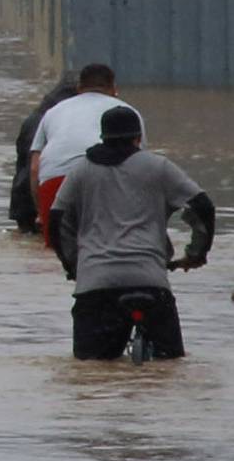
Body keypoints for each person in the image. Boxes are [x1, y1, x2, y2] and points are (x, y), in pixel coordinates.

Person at [50, 105, 214, 360]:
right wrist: (195, 253)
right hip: (150, 282)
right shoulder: (158, 166)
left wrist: (73, 265)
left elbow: (57, 220)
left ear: (102, 137)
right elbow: (202, 206)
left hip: (96, 285)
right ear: (138, 138)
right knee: (168, 367)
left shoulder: (81, 171)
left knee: (91, 372)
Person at [28, 62, 138, 244]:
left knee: (57, 251)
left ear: (79, 88)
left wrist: (41, 213)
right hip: (104, 185)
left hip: (54, 184)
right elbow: (137, 165)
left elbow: (34, 168)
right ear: (114, 89)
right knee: (107, 246)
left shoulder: (52, 112)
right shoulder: (128, 113)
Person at [11, 75, 76, 233]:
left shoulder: (36, 118)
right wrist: (41, 211)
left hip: (23, 200)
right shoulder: (53, 122)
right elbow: (35, 167)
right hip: (37, 200)